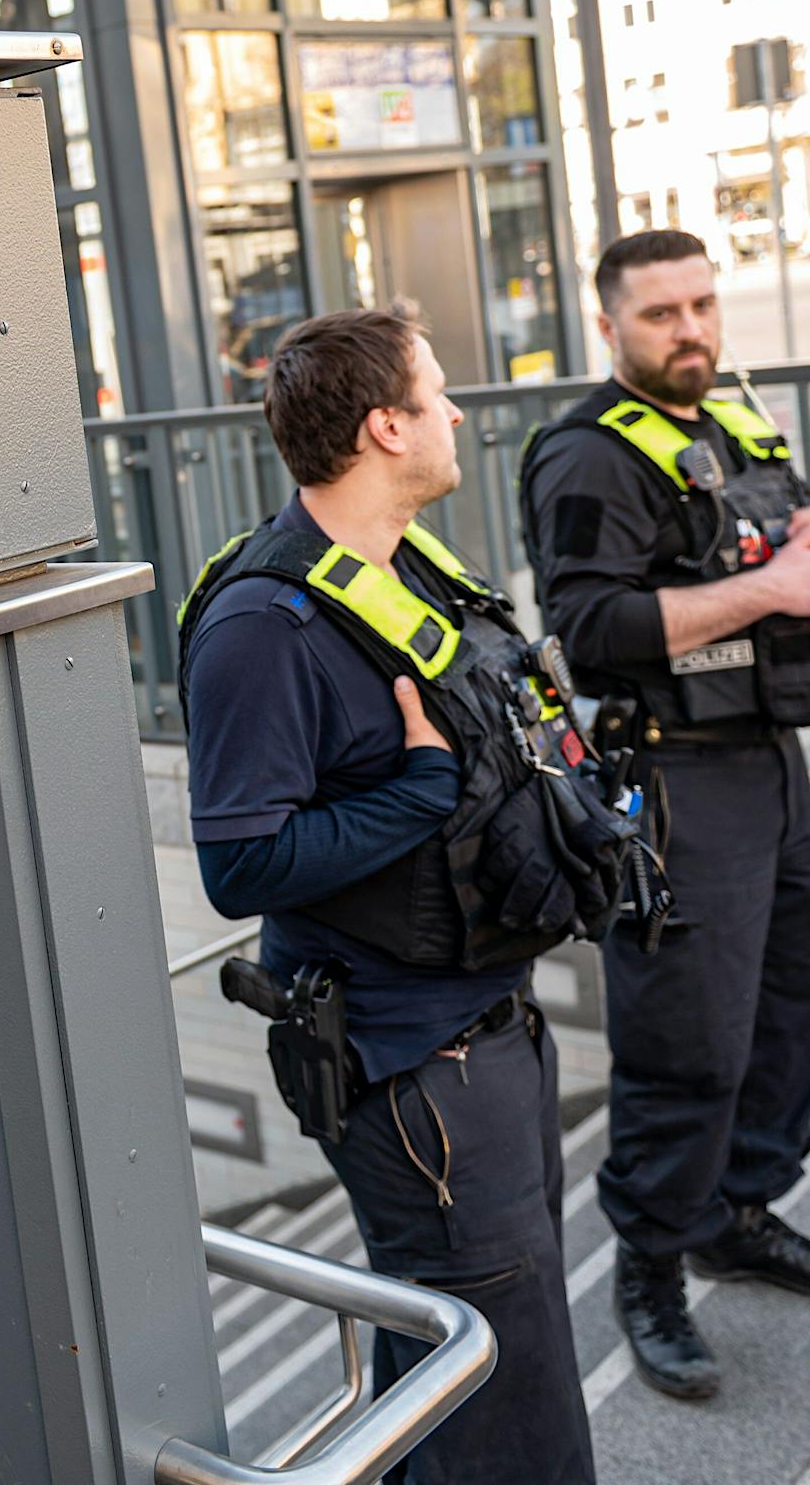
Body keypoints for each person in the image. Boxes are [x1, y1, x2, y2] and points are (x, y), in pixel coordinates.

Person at [180, 307, 601, 1485]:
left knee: (460, 1366)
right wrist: (418, 788)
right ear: (383, 425)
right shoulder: (263, 624)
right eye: (437, 392)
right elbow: (238, 864)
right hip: (413, 1071)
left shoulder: (403, 561)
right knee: (494, 1389)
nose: (458, 412)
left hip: (488, 1027)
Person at [519, 229, 810, 1400]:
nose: (689, 328)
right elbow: (588, 631)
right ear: (608, 325)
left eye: (699, 304)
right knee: (684, 1040)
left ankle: (733, 1209)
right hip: (676, 780)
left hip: (771, 765)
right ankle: (647, 1265)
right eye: (660, 314)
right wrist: (769, 588)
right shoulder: (585, 457)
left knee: (786, 1012)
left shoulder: (730, 423)